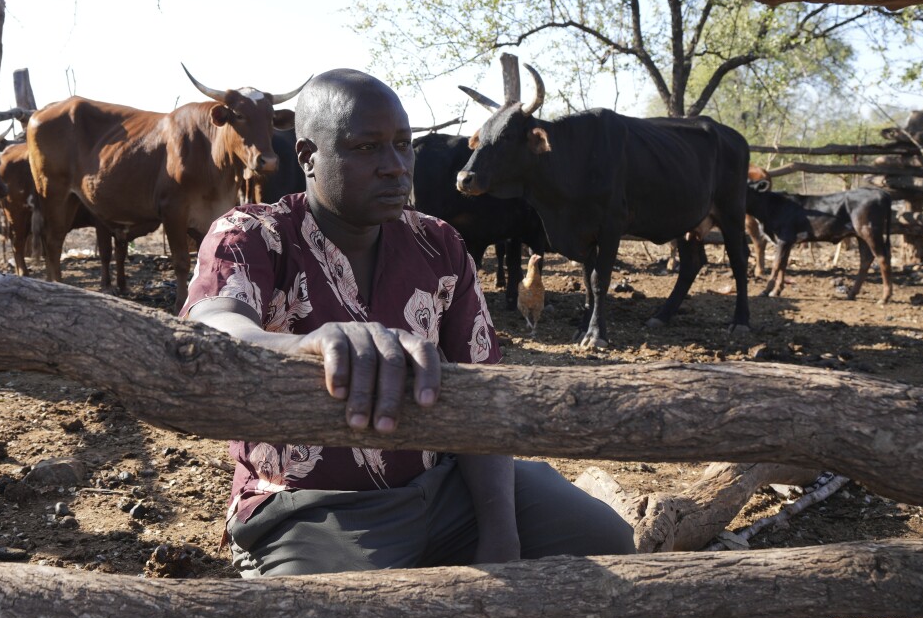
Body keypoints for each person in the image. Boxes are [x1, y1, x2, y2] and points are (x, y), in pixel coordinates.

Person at [184, 68, 634, 576]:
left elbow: (483, 398)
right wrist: (304, 345)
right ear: (308, 156)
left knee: (605, 544)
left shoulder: (437, 244)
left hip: (445, 486)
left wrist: (501, 534)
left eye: (403, 145)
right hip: (313, 508)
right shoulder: (252, 234)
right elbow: (214, 322)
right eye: (366, 148)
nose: (396, 167)